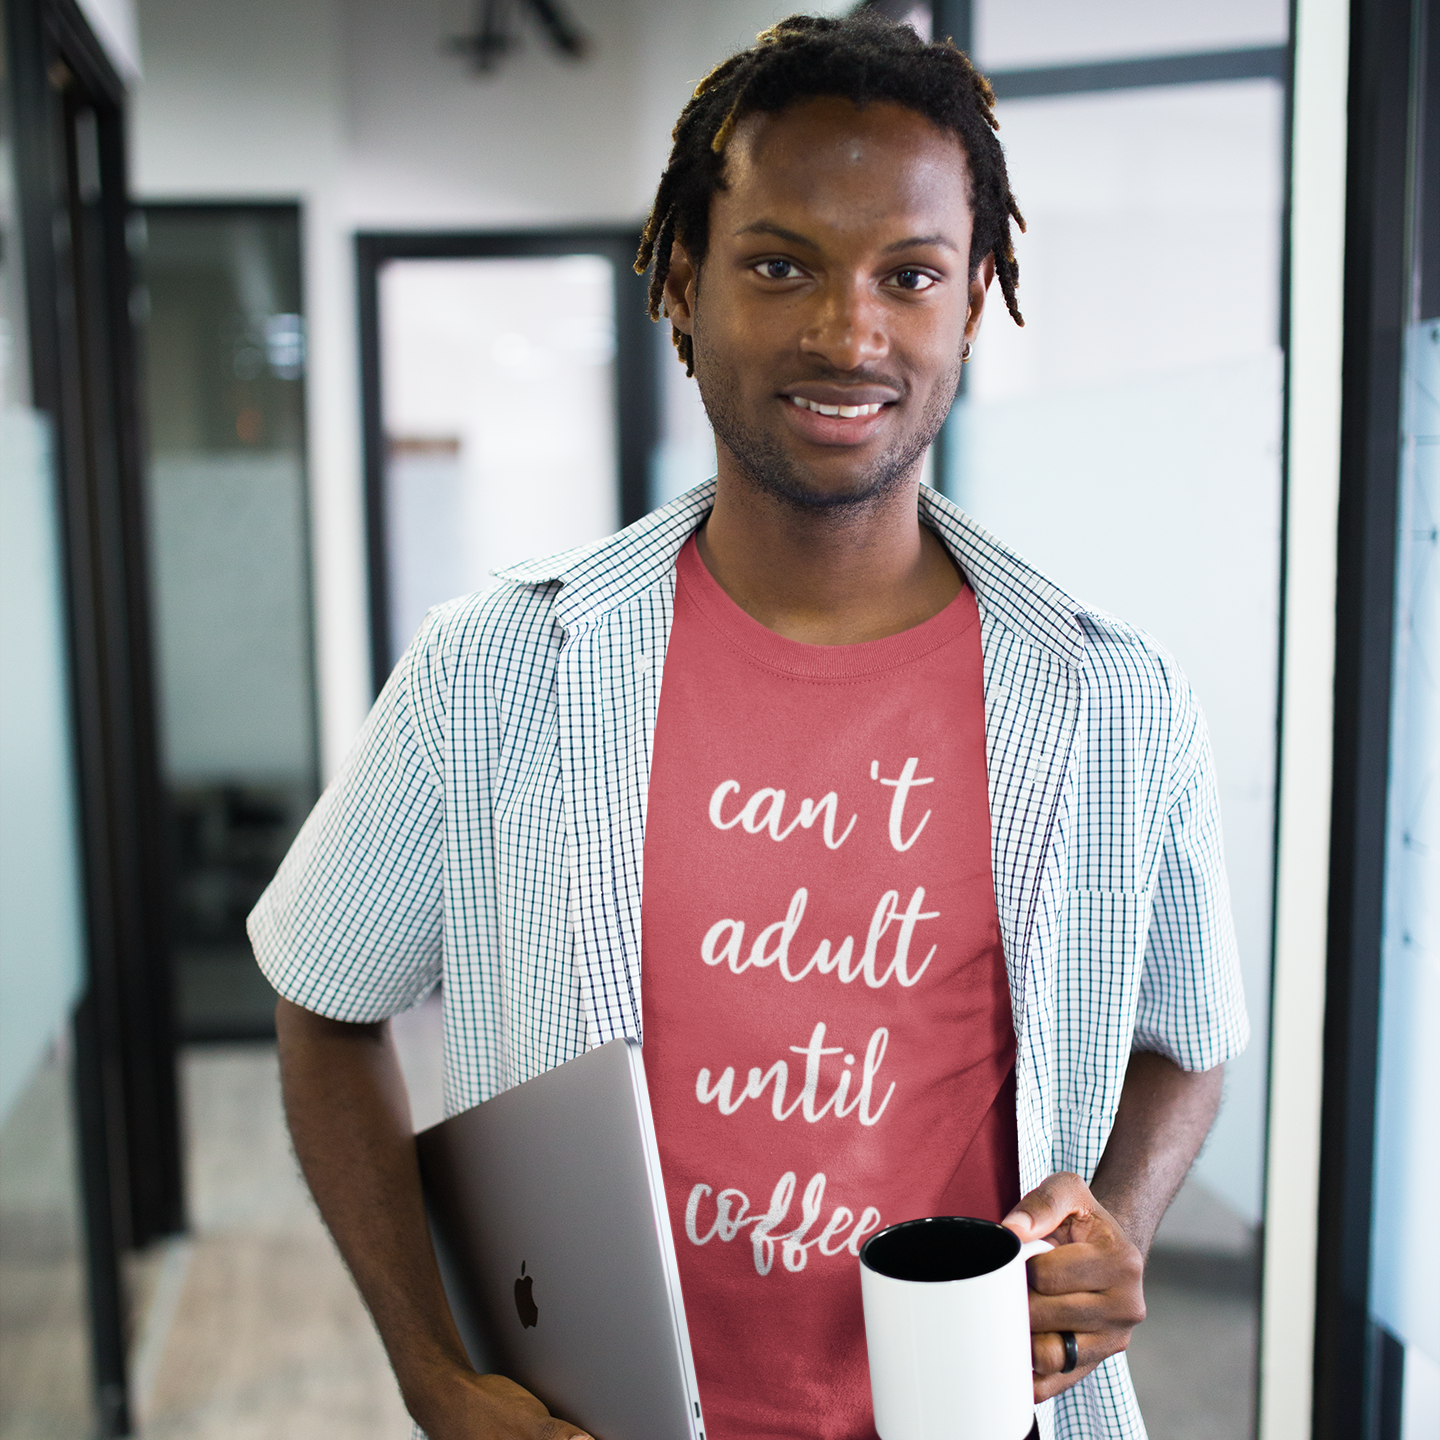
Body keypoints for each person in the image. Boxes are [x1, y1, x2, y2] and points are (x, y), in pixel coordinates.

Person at [250, 14, 1247, 1440]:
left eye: (910, 275)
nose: (849, 332)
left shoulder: (1114, 703)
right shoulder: (498, 676)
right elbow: (323, 997)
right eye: (780, 264)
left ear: (973, 304)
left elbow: (1190, 1037)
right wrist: (431, 1369)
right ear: (678, 279)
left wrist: (1121, 1224)